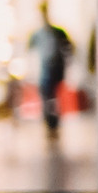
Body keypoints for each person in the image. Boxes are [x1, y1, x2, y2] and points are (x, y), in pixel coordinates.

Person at [27, 8, 72, 139]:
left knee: (53, 98)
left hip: (55, 70)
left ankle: (54, 121)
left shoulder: (57, 32)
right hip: (45, 71)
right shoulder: (37, 35)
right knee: (47, 97)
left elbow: (68, 48)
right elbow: (30, 53)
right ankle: (49, 122)